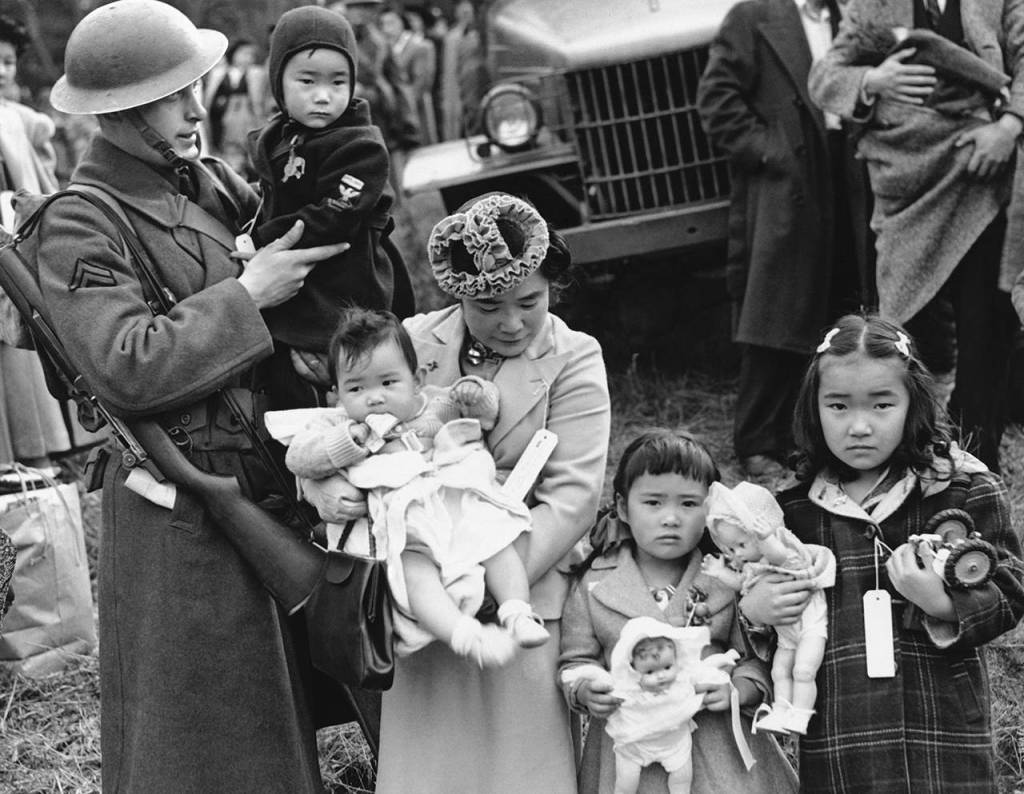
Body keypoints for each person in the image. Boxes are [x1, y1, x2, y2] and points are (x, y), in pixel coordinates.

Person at [35, 1, 351, 790]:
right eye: (174, 96)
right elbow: (125, 364)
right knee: (206, 738)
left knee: (278, 724)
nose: (194, 107)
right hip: (182, 502)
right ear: (120, 111)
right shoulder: (80, 223)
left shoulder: (206, 183)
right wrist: (249, 295)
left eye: (194, 88)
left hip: (263, 474)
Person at [298, 191, 609, 793]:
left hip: (523, 588)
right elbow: (341, 430)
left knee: (525, 771)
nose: (512, 323)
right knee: (433, 773)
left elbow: (571, 499)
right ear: (457, 293)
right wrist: (327, 491)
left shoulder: (575, 358)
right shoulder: (409, 341)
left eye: (531, 302)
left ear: (553, 288)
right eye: (489, 306)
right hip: (420, 592)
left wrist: (494, 584)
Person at [750, 313, 1024, 791]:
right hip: (841, 729)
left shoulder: (961, 489)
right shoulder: (790, 510)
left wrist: (940, 602)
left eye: (881, 405)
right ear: (812, 408)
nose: (859, 426)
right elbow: (752, 606)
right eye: (838, 406)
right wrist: (756, 611)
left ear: (912, 403)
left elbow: (1010, 588)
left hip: (942, 729)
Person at [808, 0, 1024, 474]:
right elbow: (824, 77)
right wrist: (872, 81)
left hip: (981, 177)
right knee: (906, 330)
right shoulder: (873, 5)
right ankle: (911, 456)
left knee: (985, 332)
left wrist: (1009, 126)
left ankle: (973, 464)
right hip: (906, 187)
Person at [282, 306, 550, 664]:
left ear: (417, 379)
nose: (374, 397)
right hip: (404, 529)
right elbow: (299, 458)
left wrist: (474, 394)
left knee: (497, 542)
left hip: (455, 510)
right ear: (337, 395)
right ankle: (466, 636)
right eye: (356, 387)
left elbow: (483, 416)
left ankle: (518, 612)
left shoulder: (432, 406)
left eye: (388, 382)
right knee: (414, 575)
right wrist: (351, 440)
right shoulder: (335, 424)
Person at [558, 430, 799, 794]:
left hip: (719, 754)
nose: (671, 518)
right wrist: (586, 689)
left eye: (689, 504)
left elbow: (755, 656)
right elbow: (575, 659)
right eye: (653, 503)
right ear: (623, 507)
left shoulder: (729, 580)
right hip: (631, 752)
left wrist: (739, 690)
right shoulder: (594, 583)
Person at [697, 0, 874, 480]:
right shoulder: (753, 17)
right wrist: (769, 151)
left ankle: (816, 436)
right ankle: (758, 441)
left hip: (849, 169)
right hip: (790, 176)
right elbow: (717, 100)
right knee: (777, 310)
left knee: (842, 301)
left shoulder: (851, 15)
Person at [248, 5, 414, 373]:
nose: (323, 96)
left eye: (338, 82)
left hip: (347, 281)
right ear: (278, 82)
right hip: (295, 277)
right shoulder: (280, 137)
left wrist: (265, 239)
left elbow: (335, 215)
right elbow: (270, 192)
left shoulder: (359, 146)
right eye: (307, 82)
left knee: (352, 364)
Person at [702, 480, 836, 735]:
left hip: (810, 626)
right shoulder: (752, 567)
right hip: (787, 635)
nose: (737, 554)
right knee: (779, 671)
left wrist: (765, 538)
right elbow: (741, 584)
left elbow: (779, 556)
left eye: (742, 544)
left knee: (804, 669)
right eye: (730, 549)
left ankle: (801, 714)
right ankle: (781, 711)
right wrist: (720, 572)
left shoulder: (788, 551)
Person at [0, 14, 72, 468]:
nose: (1, 70)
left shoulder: (18, 120)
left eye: (7, 61)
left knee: (17, 336)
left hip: (10, 234)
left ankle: (28, 450)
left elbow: (40, 180)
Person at [563, 616, 740, 794]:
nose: (661, 676)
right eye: (649, 671)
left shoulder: (682, 680)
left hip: (676, 742)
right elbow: (592, 672)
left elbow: (706, 668)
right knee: (626, 780)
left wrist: (726, 660)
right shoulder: (626, 688)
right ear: (633, 668)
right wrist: (580, 685)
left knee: (682, 777)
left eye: (667, 667)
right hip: (634, 744)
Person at [203, 37, 265, 177]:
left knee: (243, 147)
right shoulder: (219, 73)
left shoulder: (256, 74)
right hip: (222, 116)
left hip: (245, 118)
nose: (247, 58)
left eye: (251, 55)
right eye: (244, 53)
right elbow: (210, 97)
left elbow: (258, 102)